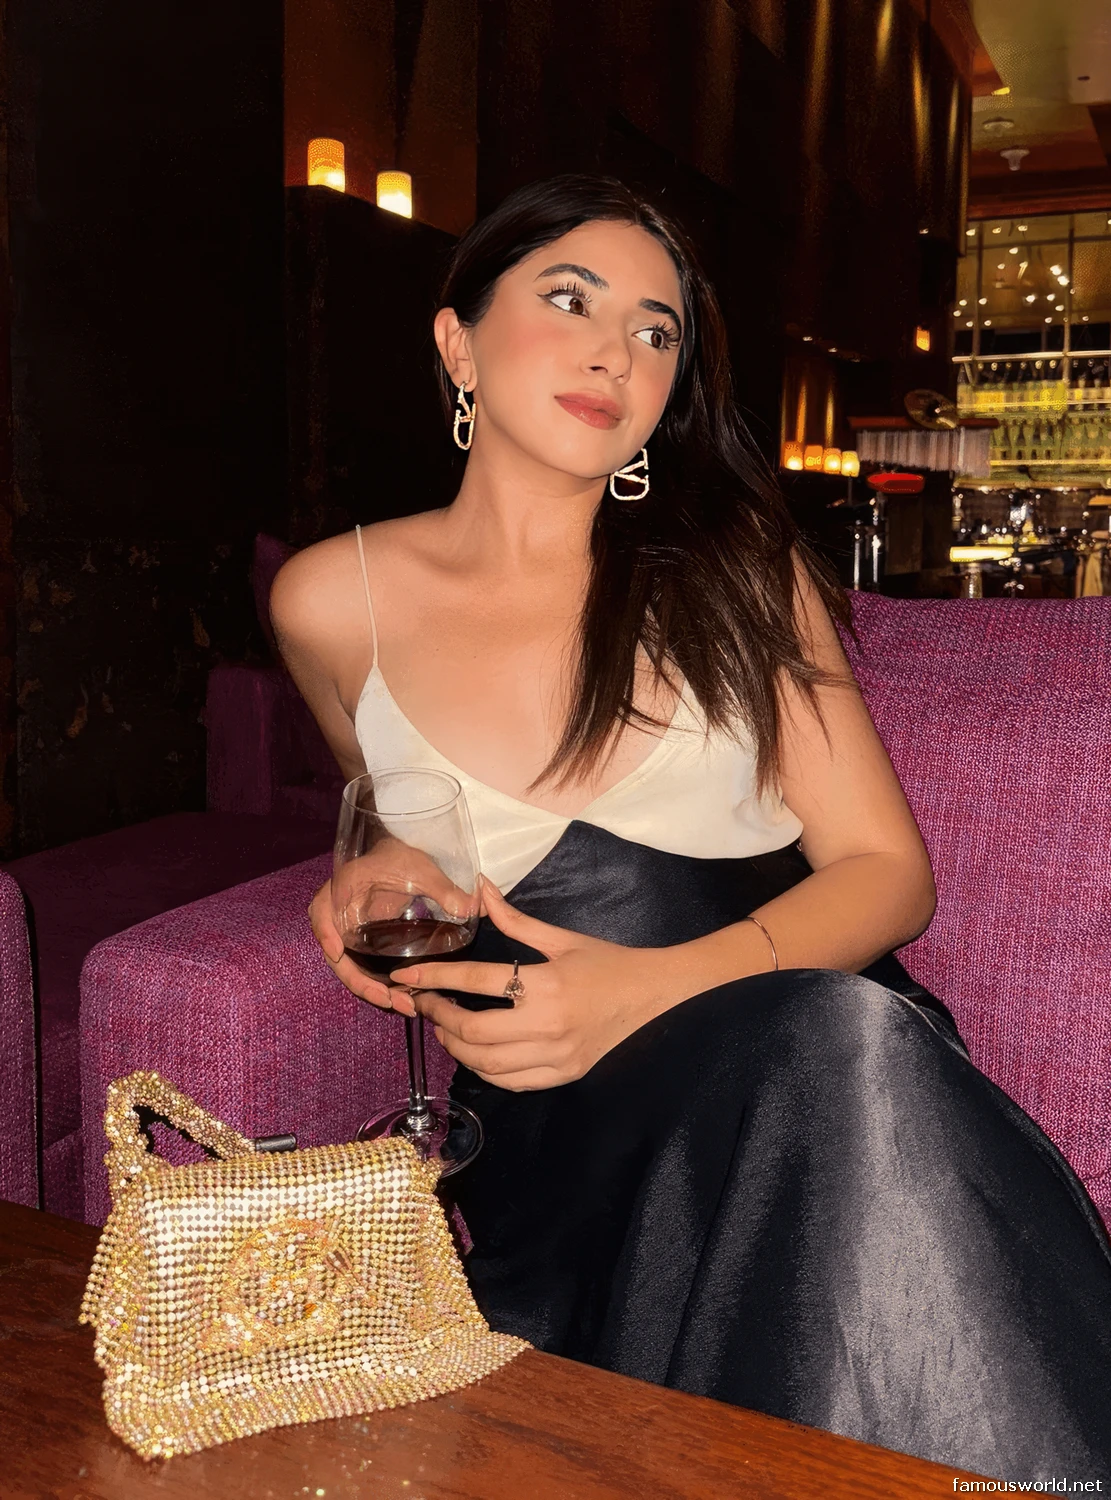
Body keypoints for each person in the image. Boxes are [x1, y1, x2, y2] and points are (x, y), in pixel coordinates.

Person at [270, 175, 1111, 1478]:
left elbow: (889, 876)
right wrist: (375, 871)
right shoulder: (331, 598)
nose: (616, 350)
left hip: (810, 1059)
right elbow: (393, 815)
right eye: (569, 300)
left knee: (839, 1043)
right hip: (560, 1124)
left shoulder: (734, 571)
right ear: (457, 343)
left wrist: (648, 990)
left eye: (655, 329)